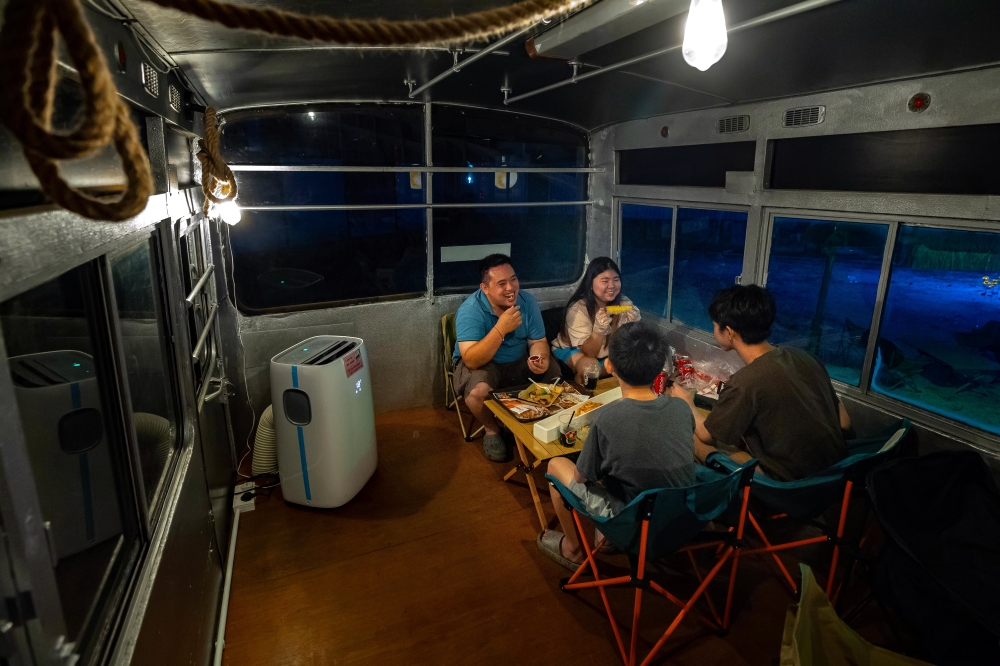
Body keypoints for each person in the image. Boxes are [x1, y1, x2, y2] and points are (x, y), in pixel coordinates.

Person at [538, 321, 696, 569]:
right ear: (659, 368)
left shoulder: (607, 418)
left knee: (557, 464)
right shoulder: (680, 407)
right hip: (680, 519)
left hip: (634, 521)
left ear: (609, 365)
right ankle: (605, 539)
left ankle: (574, 550)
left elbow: (580, 478)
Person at [670, 285, 851, 481]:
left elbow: (706, 434)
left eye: (715, 325)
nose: (714, 330)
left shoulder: (745, 382)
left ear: (729, 331)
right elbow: (845, 423)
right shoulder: (807, 358)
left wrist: (686, 402)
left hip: (790, 486)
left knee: (694, 439)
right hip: (836, 476)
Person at [453, 254, 560, 462]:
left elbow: (538, 341)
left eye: (513, 279)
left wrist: (540, 357)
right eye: (502, 283)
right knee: (478, 391)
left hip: (518, 360)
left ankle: (535, 422)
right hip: (483, 363)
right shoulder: (471, 310)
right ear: (485, 288)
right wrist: (500, 329)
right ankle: (492, 429)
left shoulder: (527, 302)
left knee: (554, 374)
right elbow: (471, 360)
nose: (511, 288)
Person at [551, 257, 641, 385]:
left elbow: (629, 345)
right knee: (590, 369)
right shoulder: (578, 309)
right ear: (590, 284)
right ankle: (584, 401)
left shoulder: (625, 303)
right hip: (575, 350)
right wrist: (599, 330)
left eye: (616, 280)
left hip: (609, 352)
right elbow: (589, 353)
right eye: (605, 281)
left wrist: (632, 327)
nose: (612, 286)